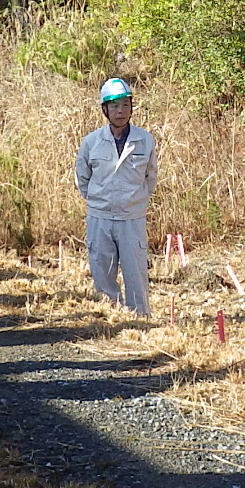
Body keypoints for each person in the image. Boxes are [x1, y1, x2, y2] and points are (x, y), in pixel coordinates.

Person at [73, 77, 157, 314]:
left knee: (136, 273)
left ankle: (140, 319)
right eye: (114, 106)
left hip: (132, 217)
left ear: (131, 108)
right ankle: (110, 317)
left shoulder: (145, 140)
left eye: (125, 105)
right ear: (105, 110)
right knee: (102, 270)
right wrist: (99, 201)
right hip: (100, 217)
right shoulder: (91, 142)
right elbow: (83, 178)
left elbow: (150, 177)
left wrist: (135, 201)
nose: (121, 111)